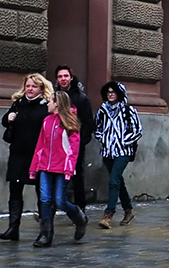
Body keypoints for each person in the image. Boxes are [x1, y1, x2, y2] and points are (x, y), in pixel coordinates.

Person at [29, 89, 89, 247]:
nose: (47, 104)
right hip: (45, 167)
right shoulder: (46, 121)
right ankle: (45, 234)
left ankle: (80, 218)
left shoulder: (69, 122)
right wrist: (34, 166)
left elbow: (73, 149)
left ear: (57, 103)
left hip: (62, 168)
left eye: (50, 101)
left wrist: (69, 168)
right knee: (45, 200)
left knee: (60, 201)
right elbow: (40, 145)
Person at [0, 73, 52, 241]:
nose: (30, 89)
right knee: (15, 190)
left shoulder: (46, 106)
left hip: (38, 156)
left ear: (41, 89)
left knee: (41, 192)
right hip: (18, 154)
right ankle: (13, 228)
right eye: (28, 86)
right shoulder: (19, 103)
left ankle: (45, 232)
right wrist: (8, 117)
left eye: (34, 86)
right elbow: (5, 122)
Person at [95, 81, 142, 229]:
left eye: (113, 92)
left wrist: (123, 141)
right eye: (108, 92)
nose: (110, 94)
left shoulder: (129, 111)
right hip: (108, 152)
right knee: (117, 182)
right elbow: (97, 128)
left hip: (123, 152)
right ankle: (128, 211)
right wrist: (103, 138)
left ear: (119, 94)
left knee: (114, 181)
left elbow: (137, 130)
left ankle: (108, 215)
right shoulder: (102, 110)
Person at [55, 66, 94, 210]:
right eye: (60, 76)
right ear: (57, 79)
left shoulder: (81, 98)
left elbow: (88, 122)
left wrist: (81, 141)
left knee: (76, 176)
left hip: (74, 144)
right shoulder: (54, 97)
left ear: (71, 78)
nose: (63, 79)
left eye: (66, 76)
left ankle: (80, 208)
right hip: (56, 143)